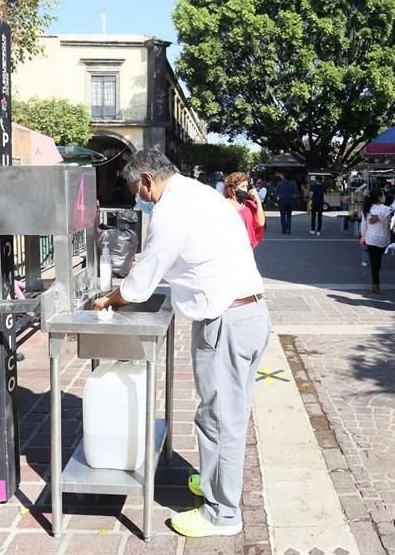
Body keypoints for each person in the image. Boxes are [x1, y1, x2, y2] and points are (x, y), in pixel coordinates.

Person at [92, 149, 271, 537]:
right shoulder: (200, 193)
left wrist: (109, 299)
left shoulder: (171, 211)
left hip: (227, 321)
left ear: (146, 181)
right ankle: (212, 482)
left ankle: (223, 514)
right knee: (214, 414)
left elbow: (143, 282)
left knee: (223, 421)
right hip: (244, 313)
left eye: (135, 192)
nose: (138, 200)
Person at [360, 189, 392, 293]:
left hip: (371, 238)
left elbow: (363, 225)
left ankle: (375, 283)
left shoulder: (367, 209)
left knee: (374, 261)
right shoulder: (387, 209)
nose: (385, 196)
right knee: (378, 261)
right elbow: (390, 224)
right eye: (383, 195)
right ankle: (375, 278)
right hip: (383, 238)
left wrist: (363, 237)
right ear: (379, 197)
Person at [223, 171, 266, 248]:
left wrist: (258, 201)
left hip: (246, 249)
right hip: (228, 249)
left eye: (246, 186)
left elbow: (261, 223)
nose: (246, 189)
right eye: (243, 186)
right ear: (233, 188)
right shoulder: (223, 205)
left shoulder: (249, 205)